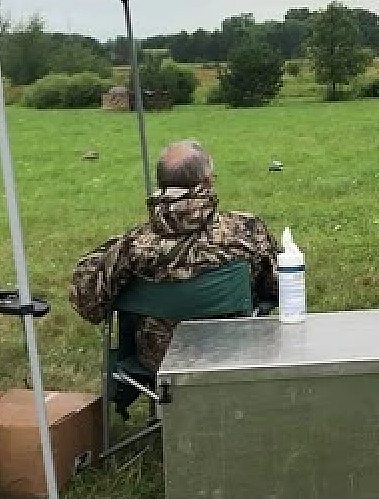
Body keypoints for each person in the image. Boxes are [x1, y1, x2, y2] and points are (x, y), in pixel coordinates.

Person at [70, 139, 279, 378]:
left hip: (158, 362)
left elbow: (88, 303)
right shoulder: (247, 230)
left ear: (161, 185)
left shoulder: (131, 247)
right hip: (236, 352)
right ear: (208, 181)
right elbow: (278, 287)